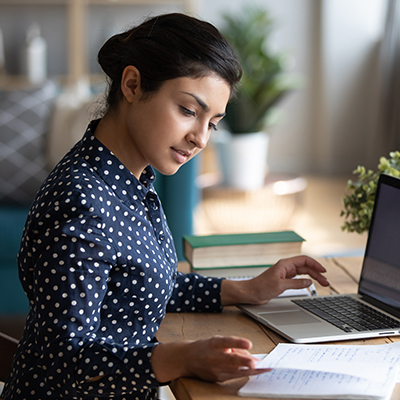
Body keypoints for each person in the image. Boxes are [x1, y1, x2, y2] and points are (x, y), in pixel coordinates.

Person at [2, 13, 329, 400]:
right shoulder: (82, 200)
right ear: (132, 84)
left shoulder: (130, 180)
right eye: (189, 111)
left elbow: (136, 289)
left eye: (213, 123)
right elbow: (64, 360)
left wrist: (247, 289)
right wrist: (181, 357)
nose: (200, 138)